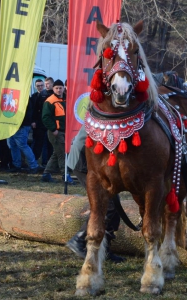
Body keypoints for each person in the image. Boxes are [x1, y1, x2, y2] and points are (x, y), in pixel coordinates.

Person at [65, 128, 126, 263]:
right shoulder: (104, 113)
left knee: (114, 204)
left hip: (90, 160)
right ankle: (79, 239)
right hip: (83, 162)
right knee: (106, 204)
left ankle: (105, 248)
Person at [41, 79, 74, 183]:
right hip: (55, 132)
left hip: (64, 131)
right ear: (53, 89)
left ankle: (46, 174)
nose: (59, 90)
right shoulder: (50, 101)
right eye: (57, 88)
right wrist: (53, 129)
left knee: (57, 153)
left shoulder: (66, 99)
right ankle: (65, 175)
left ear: (63, 88)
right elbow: (45, 117)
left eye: (60, 88)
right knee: (63, 154)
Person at [7, 93, 39, 174]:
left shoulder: (24, 97)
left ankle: (33, 165)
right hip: (14, 124)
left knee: (22, 145)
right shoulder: (20, 96)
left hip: (21, 125)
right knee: (13, 145)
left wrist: (20, 123)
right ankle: (17, 165)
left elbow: (26, 112)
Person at [31, 79, 51, 168]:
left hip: (47, 123)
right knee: (38, 143)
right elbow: (33, 110)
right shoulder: (34, 97)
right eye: (38, 86)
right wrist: (33, 121)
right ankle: (35, 161)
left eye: (41, 85)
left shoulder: (47, 95)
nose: (40, 87)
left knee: (47, 143)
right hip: (38, 123)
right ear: (35, 87)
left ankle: (45, 162)